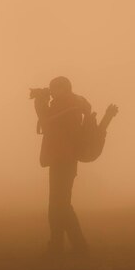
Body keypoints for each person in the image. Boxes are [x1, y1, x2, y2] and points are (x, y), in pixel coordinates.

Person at [30, 76, 117, 259]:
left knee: (59, 205)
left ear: (64, 89)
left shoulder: (67, 106)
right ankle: (63, 245)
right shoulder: (70, 104)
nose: (52, 92)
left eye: (55, 89)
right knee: (59, 205)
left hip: (62, 159)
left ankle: (72, 246)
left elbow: (47, 122)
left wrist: (40, 102)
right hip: (63, 160)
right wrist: (43, 101)